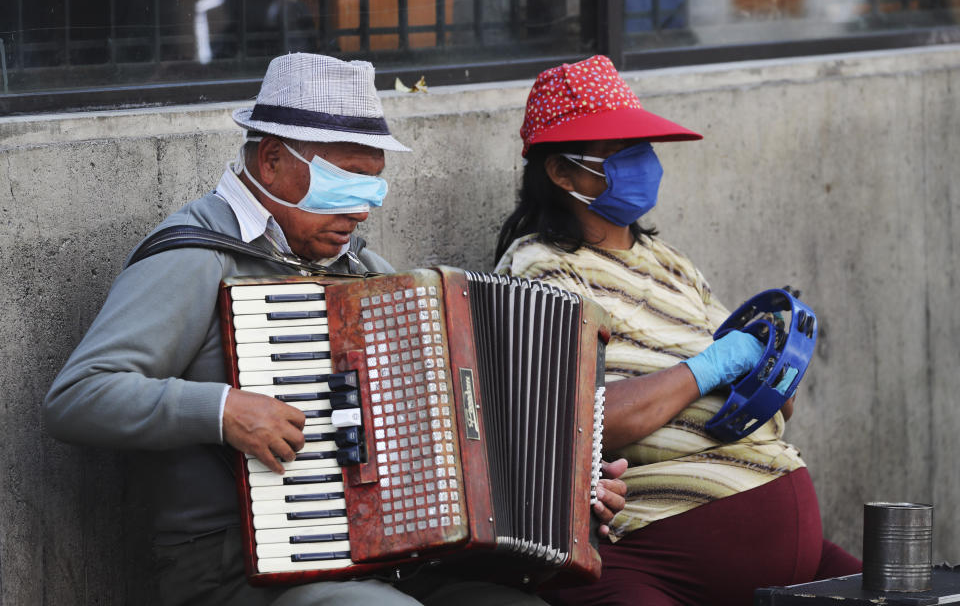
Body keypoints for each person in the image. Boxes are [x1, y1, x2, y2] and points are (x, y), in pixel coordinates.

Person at [42, 53, 626, 606]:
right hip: (233, 568)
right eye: (343, 182)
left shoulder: (361, 269)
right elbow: (79, 396)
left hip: (384, 553)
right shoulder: (196, 256)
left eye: (373, 186)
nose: (361, 208)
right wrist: (223, 410)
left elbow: (447, 419)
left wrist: (565, 487)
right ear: (271, 160)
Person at [494, 55, 862, 606]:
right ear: (562, 172)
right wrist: (709, 367)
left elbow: (781, 412)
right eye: (618, 154)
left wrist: (772, 364)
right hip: (647, 560)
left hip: (790, 535)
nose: (642, 164)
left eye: (642, 149)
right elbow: (559, 424)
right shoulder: (542, 269)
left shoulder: (670, 262)